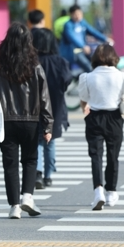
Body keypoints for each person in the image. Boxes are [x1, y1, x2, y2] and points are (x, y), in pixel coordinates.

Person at [0, 22, 53, 220]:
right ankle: (27, 197)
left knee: (10, 164)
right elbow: (44, 97)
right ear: (28, 42)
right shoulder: (35, 66)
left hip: (5, 122)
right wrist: (48, 125)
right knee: (30, 160)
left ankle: (14, 206)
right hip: (30, 120)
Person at [78, 44, 124, 210]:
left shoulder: (87, 77)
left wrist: (85, 109)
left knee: (96, 156)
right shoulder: (123, 76)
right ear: (114, 58)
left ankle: (98, 191)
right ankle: (111, 192)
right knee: (113, 156)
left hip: (94, 117)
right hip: (114, 118)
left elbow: (83, 97)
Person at [32, 28, 73, 189]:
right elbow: (67, 80)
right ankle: (48, 175)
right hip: (55, 105)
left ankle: (38, 172)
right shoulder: (60, 61)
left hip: (34, 106)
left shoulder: (32, 62)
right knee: (51, 140)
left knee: (37, 141)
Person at [60, 5, 114, 73]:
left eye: (79, 14)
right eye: (75, 14)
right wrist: (82, 46)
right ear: (71, 15)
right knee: (88, 66)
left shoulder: (82, 23)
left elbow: (93, 31)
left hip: (85, 50)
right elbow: (71, 38)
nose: (78, 16)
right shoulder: (68, 25)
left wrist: (105, 39)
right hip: (74, 52)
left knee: (97, 63)